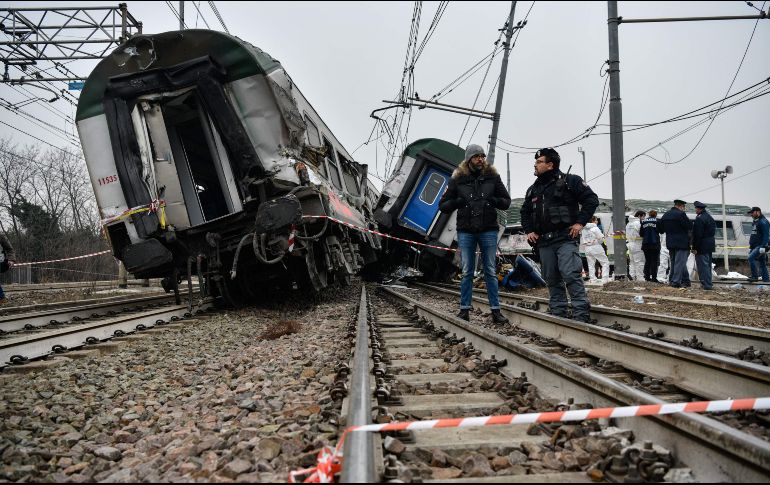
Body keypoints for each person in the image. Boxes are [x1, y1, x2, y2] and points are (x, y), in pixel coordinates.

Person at [520, 147, 599, 322]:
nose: (535, 165)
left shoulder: (571, 181)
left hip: (565, 238)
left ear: (550, 165)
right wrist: (529, 230)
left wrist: (580, 223)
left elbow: (591, 200)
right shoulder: (533, 189)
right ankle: (558, 314)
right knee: (551, 279)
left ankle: (581, 314)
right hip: (544, 242)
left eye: (539, 162)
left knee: (570, 274)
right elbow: (525, 212)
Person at [439, 143, 512, 324]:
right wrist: (458, 202)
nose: (481, 159)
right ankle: (464, 310)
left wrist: (492, 200)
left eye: (482, 156)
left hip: (488, 229)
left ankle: (496, 312)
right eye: (477, 156)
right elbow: (443, 205)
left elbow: (506, 201)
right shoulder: (458, 178)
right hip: (466, 231)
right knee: (467, 271)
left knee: (490, 271)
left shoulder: (493, 177)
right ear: (469, 159)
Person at [658, 199, 692, 288]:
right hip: (682, 242)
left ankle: (684, 280)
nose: (684, 209)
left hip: (670, 242)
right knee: (679, 263)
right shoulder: (681, 214)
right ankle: (676, 281)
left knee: (674, 262)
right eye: (684, 207)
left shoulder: (666, 214)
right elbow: (689, 226)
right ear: (681, 206)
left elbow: (661, 229)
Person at [691, 201, 716, 290]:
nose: (695, 210)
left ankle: (706, 284)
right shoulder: (709, 217)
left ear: (699, 209)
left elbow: (698, 235)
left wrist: (695, 247)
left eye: (696, 208)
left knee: (702, 266)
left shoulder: (700, 219)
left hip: (702, 245)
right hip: (710, 244)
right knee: (707, 266)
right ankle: (708, 283)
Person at [581, 216, 610, 283]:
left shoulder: (583, 229)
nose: (597, 221)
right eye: (596, 220)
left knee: (590, 264)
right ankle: (605, 279)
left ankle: (593, 279)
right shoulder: (595, 228)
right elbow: (601, 239)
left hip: (587, 248)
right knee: (605, 262)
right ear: (593, 221)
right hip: (596, 247)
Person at [747, 206, 770, 282]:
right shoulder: (756, 221)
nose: (751, 214)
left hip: (760, 245)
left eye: (752, 213)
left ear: (758, 212)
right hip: (755, 245)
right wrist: (751, 246)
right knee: (762, 262)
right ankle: (766, 279)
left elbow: (766, 235)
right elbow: (754, 235)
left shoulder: (763, 222)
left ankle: (755, 276)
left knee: (750, 258)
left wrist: (764, 246)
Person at [640, 209, 661, 282]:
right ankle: (654, 278)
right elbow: (661, 231)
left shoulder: (644, 221)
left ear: (649, 214)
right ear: (655, 215)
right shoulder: (657, 221)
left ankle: (647, 277)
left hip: (645, 244)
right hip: (655, 244)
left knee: (647, 261)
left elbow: (641, 234)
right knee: (654, 261)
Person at [625, 210, 646, 280]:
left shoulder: (628, 224)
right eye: (643, 217)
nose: (643, 218)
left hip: (630, 244)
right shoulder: (638, 223)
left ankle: (632, 277)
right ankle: (640, 278)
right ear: (639, 216)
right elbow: (642, 233)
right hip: (637, 244)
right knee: (639, 262)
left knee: (632, 262)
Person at [0, 232, 16, 304]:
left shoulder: (1, 236)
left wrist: (11, 260)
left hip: (2, 262)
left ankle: (1, 298)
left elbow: (10, 249)